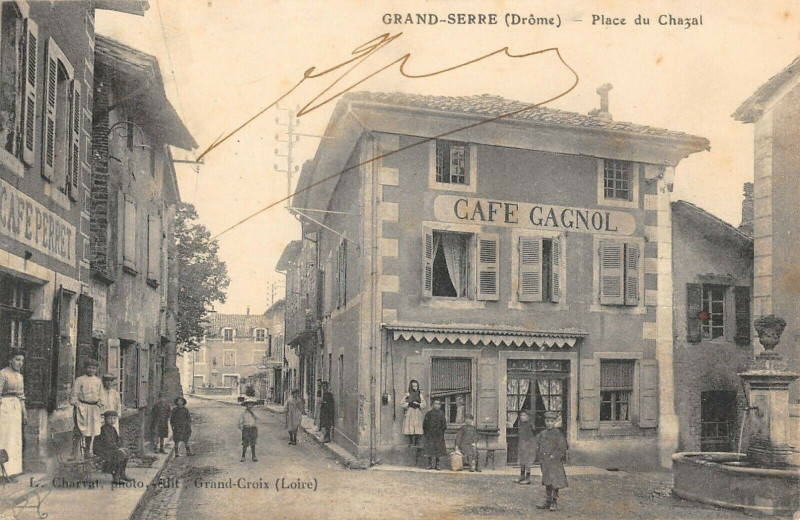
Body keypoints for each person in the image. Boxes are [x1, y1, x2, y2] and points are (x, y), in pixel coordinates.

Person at [70, 358, 105, 459]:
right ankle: (74, 453)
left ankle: (87, 451)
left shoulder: (98, 381)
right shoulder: (80, 380)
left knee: (91, 430)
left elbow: (101, 394)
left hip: (93, 408)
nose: (91, 370)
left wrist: (100, 404)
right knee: (79, 430)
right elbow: (74, 393)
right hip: (82, 407)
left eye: (93, 368)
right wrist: (76, 403)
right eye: (89, 368)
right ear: (85, 368)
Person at [0, 349, 27, 479]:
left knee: (14, 439)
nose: (20, 363)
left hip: (16, 409)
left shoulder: (20, 376)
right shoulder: (3, 374)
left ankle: (11, 471)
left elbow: (21, 396)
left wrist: (24, 413)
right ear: (10, 360)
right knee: (4, 438)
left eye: (22, 360)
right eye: (17, 359)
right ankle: (1, 472)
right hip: (4, 408)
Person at [535, 411, 569, 511]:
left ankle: (554, 501)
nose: (549, 423)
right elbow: (537, 445)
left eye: (551, 421)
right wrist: (540, 454)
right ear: (545, 421)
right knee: (547, 481)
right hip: (545, 462)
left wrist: (554, 455)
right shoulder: (542, 434)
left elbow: (563, 447)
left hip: (555, 462)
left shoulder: (558, 434)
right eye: (547, 421)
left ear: (555, 422)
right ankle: (548, 501)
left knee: (555, 481)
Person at [94, 410, 132, 484]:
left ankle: (122, 473)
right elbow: (106, 442)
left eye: (114, 418)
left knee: (126, 451)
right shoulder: (103, 429)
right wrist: (118, 448)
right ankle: (116, 477)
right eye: (110, 419)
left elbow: (117, 440)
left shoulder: (113, 429)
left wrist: (120, 446)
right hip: (102, 449)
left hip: (110, 448)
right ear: (105, 419)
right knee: (119, 454)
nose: (112, 421)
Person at [422, 399, 447, 470]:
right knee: (430, 449)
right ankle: (429, 464)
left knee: (438, 450)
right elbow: (425, 425)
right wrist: (427, 433)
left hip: (439, 434)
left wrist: (441, 431)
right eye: (436, 404)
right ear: (432, 405)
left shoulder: (441, 414)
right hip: (430, 434)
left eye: (438, 404)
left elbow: (444, 424)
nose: (437, 405)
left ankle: (437, 464)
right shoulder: (429, 413)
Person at [514, 409, 536, 484]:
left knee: (527, 461)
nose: (522, 417)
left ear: (528, 417)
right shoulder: (520, 424)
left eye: (524, 415)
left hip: (528, 445)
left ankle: (528, 477)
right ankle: (522, 475)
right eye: (521, 415)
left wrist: (530, 445)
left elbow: (532, 436)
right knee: (521, 461)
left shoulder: (530, 425)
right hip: (521, 444)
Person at [401, 380, 425, 446]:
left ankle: (417, 442)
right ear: (410, 387)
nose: (415, 387)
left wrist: (418, 405)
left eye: (416, 386)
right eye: (413, 386)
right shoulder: (407, 394)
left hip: (417, 411)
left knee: (417, 426)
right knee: (410, 425)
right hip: (410, 411)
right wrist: (409, 403)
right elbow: (402, 403)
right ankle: (410, 442)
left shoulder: (419, 394)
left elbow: (424, 404)